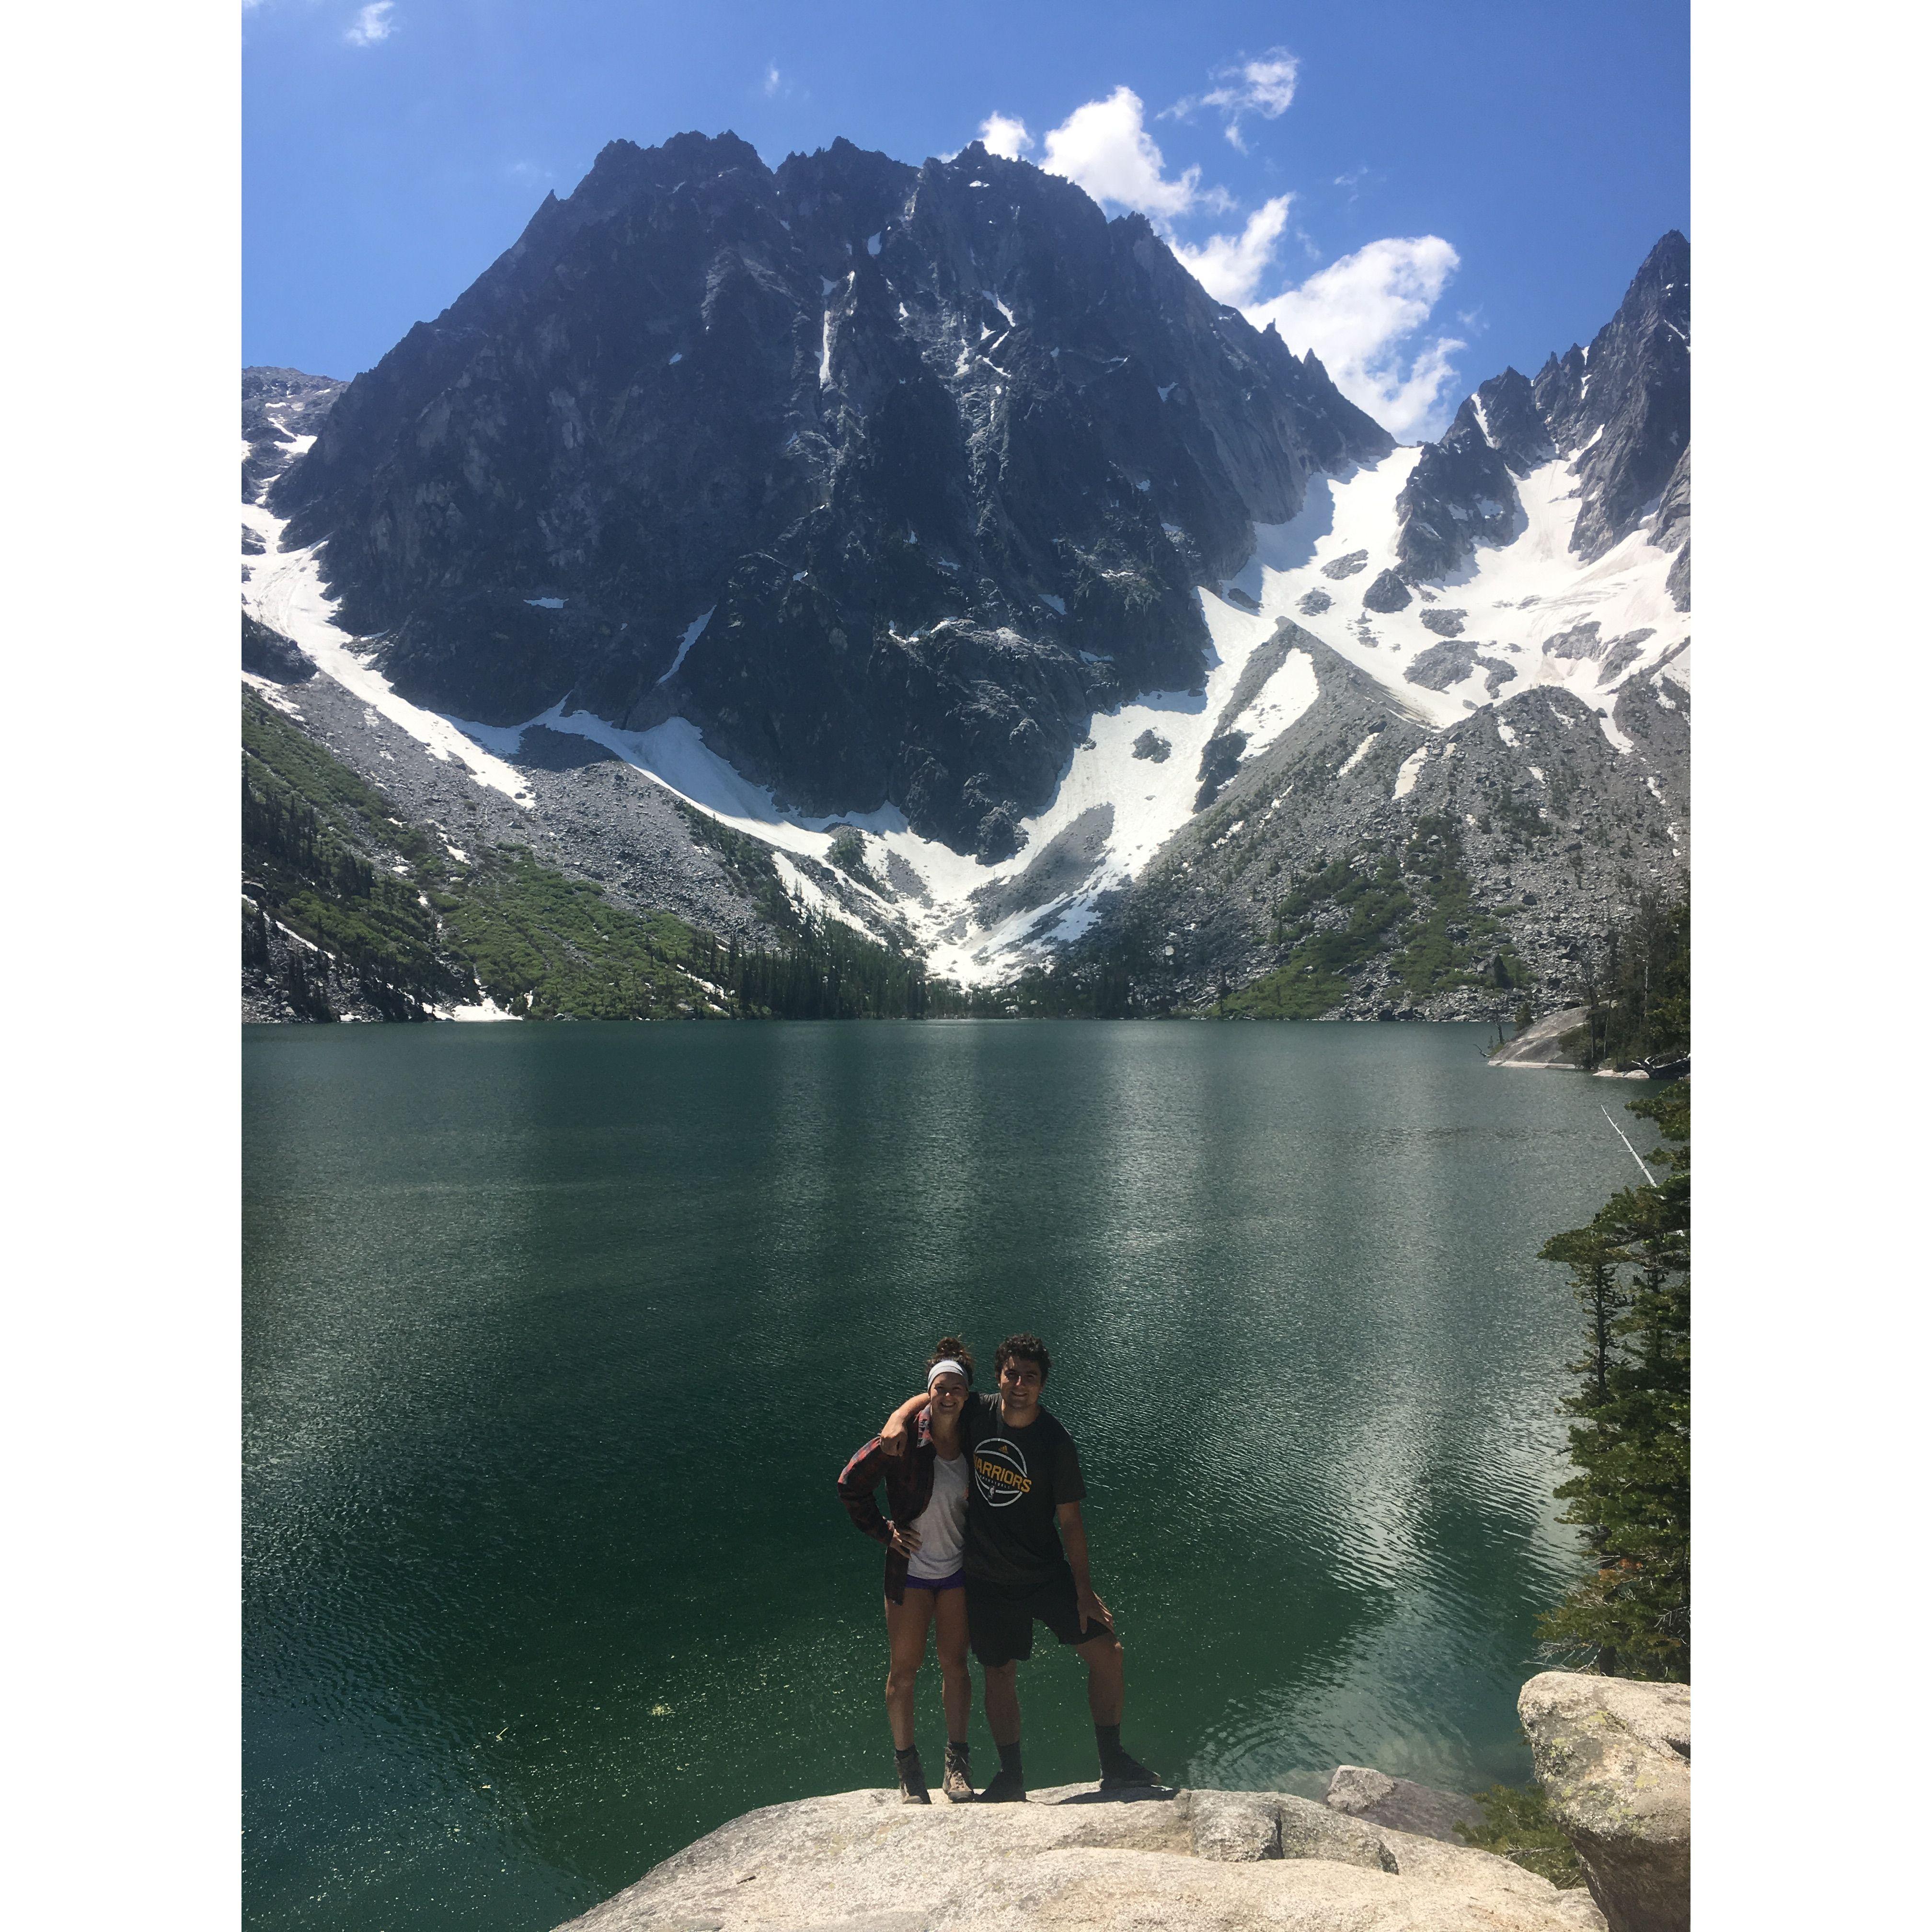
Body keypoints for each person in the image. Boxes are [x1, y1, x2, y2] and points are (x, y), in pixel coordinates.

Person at [881, 1332, 1159, 1803]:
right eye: (1012, 1374)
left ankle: (1113, 1763)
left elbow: (1071, 1523)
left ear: (1043, 1385)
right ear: (998, 1378)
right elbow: (935, 1391)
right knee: (999, 1673)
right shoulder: (978, 1411)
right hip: (987, 1579)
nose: (1019, 1384)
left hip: (1045, 1575)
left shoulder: (1055, 1442)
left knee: (1108, 1653)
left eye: (1030, 1377)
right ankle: (1012, 1776)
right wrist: (898, 1416)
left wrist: (1084, 1590)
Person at [836, 1337, 978, 1804]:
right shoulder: (904, 1440)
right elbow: (851, 1484)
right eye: (940, 1387)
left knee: (956, 1667)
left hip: (958, 1572)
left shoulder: (978, 1434)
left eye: (957, 1387)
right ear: (931, 1391)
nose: (948, 1395)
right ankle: (908, 1769)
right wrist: (885, 1532)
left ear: (967, 1393)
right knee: (904, 1671)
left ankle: (957, 1766)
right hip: (910, 1572)